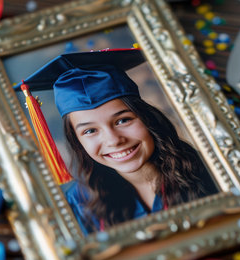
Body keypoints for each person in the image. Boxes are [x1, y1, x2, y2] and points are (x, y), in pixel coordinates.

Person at [14, 49, 217, 235]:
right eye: (90, 130)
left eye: (123, 120)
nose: (113, 140)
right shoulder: (79, 202)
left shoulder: (211, 171)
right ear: (78, 142)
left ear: (148, 118)